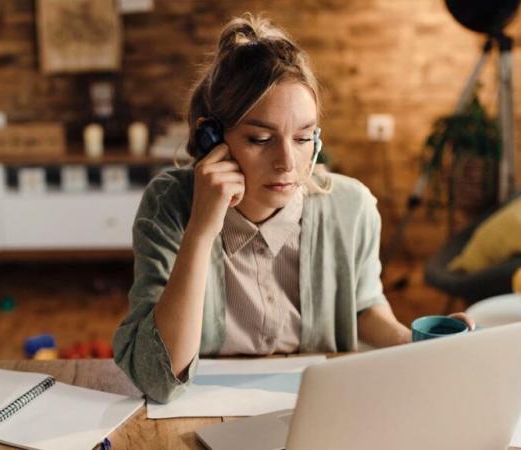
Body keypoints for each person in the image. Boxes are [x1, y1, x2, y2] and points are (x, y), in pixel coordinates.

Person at [113, 14, 474, 403]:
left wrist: (414, 343)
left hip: (314, 411)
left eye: (303, 137)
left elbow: (361, 307)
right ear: (211, 139)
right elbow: (156, 379)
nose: (287, 162)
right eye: (261, 138)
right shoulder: (169, 205)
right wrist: (201, 231)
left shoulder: (352, 208)